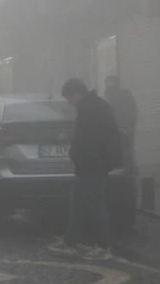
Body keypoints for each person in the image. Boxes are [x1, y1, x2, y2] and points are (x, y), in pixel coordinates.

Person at [49, 78, 121, 260]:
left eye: (69, 98)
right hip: (90, 164)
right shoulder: (94, 106)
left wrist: (76, 153)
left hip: (93, 165)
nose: (69, 102)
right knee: (78, 203)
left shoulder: (90, 109)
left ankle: (103, 247)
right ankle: (70, 241)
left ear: (77, 94)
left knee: (95, 204)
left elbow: (89, 140)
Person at [104, 75, 138, 176]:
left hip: (125, 128)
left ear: (116, 83)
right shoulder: (107, 97)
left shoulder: (125, 95)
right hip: (114, 128)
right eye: (107, 83)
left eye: (111, 83)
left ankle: (130, 170)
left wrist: (128, 126)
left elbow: (132, 111)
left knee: (127, 149)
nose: (109, 85)